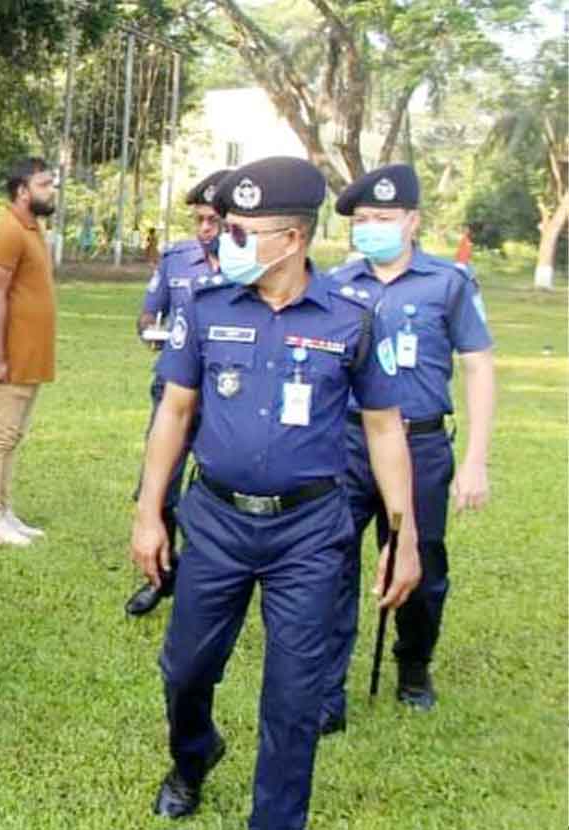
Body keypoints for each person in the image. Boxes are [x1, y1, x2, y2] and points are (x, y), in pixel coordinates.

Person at [129, 157, 422, 829]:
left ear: (290, 239)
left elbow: (382, 430)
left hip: (309, 534)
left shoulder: (352, 319)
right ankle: (193, 754)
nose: (220, 242)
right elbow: (172, 413)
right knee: (184, 670)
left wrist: (401, 538)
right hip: (216, 524)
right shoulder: (204, 309)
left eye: (238, 231)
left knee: (293, 699)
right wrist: (149, 513)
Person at [318, 163, 496, 731]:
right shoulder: (338, 283)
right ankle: (326, 685)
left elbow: (478, 368)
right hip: (346, 444)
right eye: (363, 219)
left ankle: (413, 665)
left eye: (384, 218)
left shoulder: (449, 283)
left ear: (412, 221)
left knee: (422, 562)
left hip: (419, 445)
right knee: (332, 562)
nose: (371, 228)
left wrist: (474, 460)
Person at [125, 169, 229, 616]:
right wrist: (153, 331)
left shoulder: (255, 268)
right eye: (200, 220)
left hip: (228, 398)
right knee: (160, 483)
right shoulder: (176, 259)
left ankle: (210, 582)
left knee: (217, 492)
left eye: (214, 221)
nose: (205, 230)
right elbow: (149, 315)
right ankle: (161, 577)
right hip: (173, 390)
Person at [0, 157, 57, 546]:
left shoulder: (31, 228)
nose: (51, 190)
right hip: (10, 355)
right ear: (22, 190)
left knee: (12, 437)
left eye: (51, 183)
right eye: (43, 184)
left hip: (29, 356)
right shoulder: (7, 229)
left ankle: (3, 510)